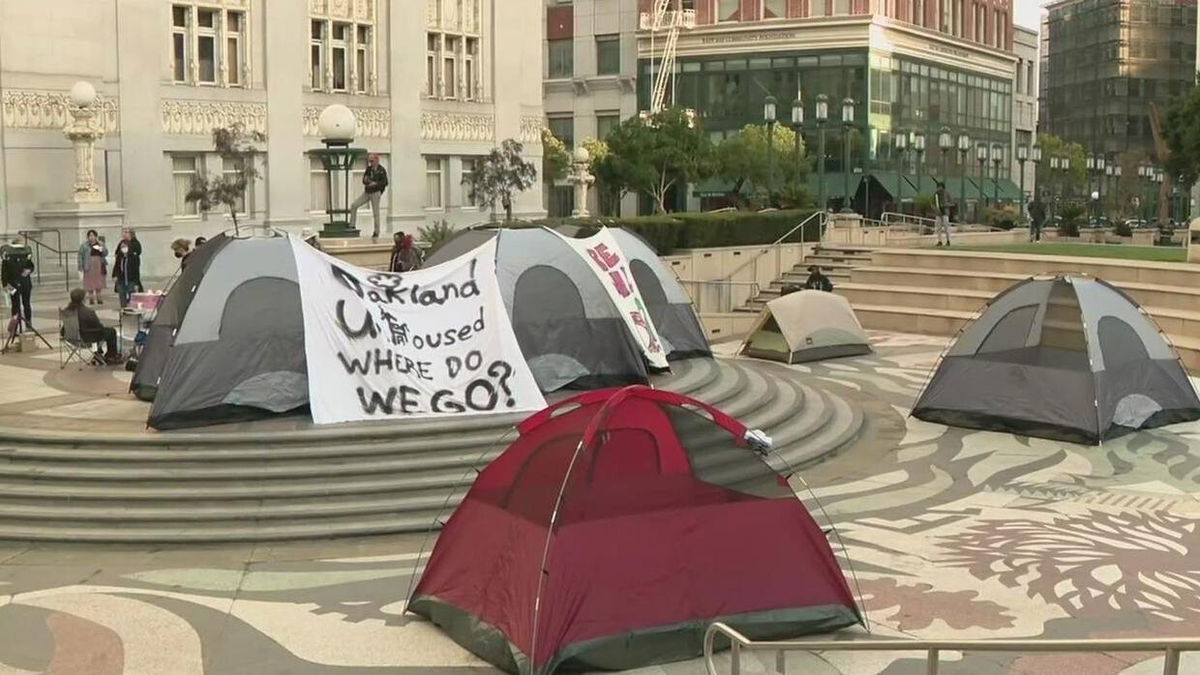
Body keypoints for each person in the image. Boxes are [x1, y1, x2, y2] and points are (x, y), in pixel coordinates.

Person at [63, 287, 121, 364]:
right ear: (83, 299)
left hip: (71, 337)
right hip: (86, 338)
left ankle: (98, 354)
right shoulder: (87, 312)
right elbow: (98, 327)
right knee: (111, 331)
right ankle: (111, 356)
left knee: (96, 332)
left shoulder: (67, 311)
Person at [349, 153, 389, 240]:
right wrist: (367, 181)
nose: (371, 163)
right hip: (367, 192)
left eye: (372, 161)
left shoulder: (381, 170)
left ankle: (376, 231)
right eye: (369, 161)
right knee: (354, 205)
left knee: (376, 212)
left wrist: (376, 184)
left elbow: (385, 182)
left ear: (377, 160)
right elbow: (364, 179)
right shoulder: (369, 169)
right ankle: (352, 225)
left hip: (376, 192)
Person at [1, 239, 34, 329]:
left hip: (21, 282)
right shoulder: (8, 256)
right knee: (19, 305)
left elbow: (31, 266)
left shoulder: (24, 255)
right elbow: (4, 272)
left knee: (20, 305)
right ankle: (17, 326)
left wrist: (28, 270)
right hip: (16, 283)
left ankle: (27, 324)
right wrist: (5, 286)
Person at [112, 228, 143, 308]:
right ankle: (123, 309)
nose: (124, 234)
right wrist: (115, 275)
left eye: (126, 232)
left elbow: (136, 269)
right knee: (122, 295)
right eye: (123, 232)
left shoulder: (135, 245)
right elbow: (117, 264)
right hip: (121, 278)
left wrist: (136, 282)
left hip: (131, 278)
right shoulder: (120, 253)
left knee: (132, 296)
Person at [77, 230, 109, 305]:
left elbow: (105, 253)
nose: (91, 237)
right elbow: (80, 256)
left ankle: (99, 298)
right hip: (88, 265)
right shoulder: (84, 245)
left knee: (99, 282)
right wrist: (80, 266)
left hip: (99, 264)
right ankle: (91, 298)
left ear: (96, 236)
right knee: (89, 282)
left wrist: (101, 248)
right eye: (90, 236)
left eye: (93, 235)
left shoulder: (100, 244)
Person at [933, 183, 952, 247]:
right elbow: (933, 203)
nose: (939, 189)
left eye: (940, 187)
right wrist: (936, 209)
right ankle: (939, 241)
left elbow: (951, 203)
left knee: (946, 227)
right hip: (938, 213)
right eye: (938, 187)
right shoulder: (936, 194)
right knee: (938, 228)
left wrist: (945, 205)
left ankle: (948, 240)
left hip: (945, 212)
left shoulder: (947, 194)